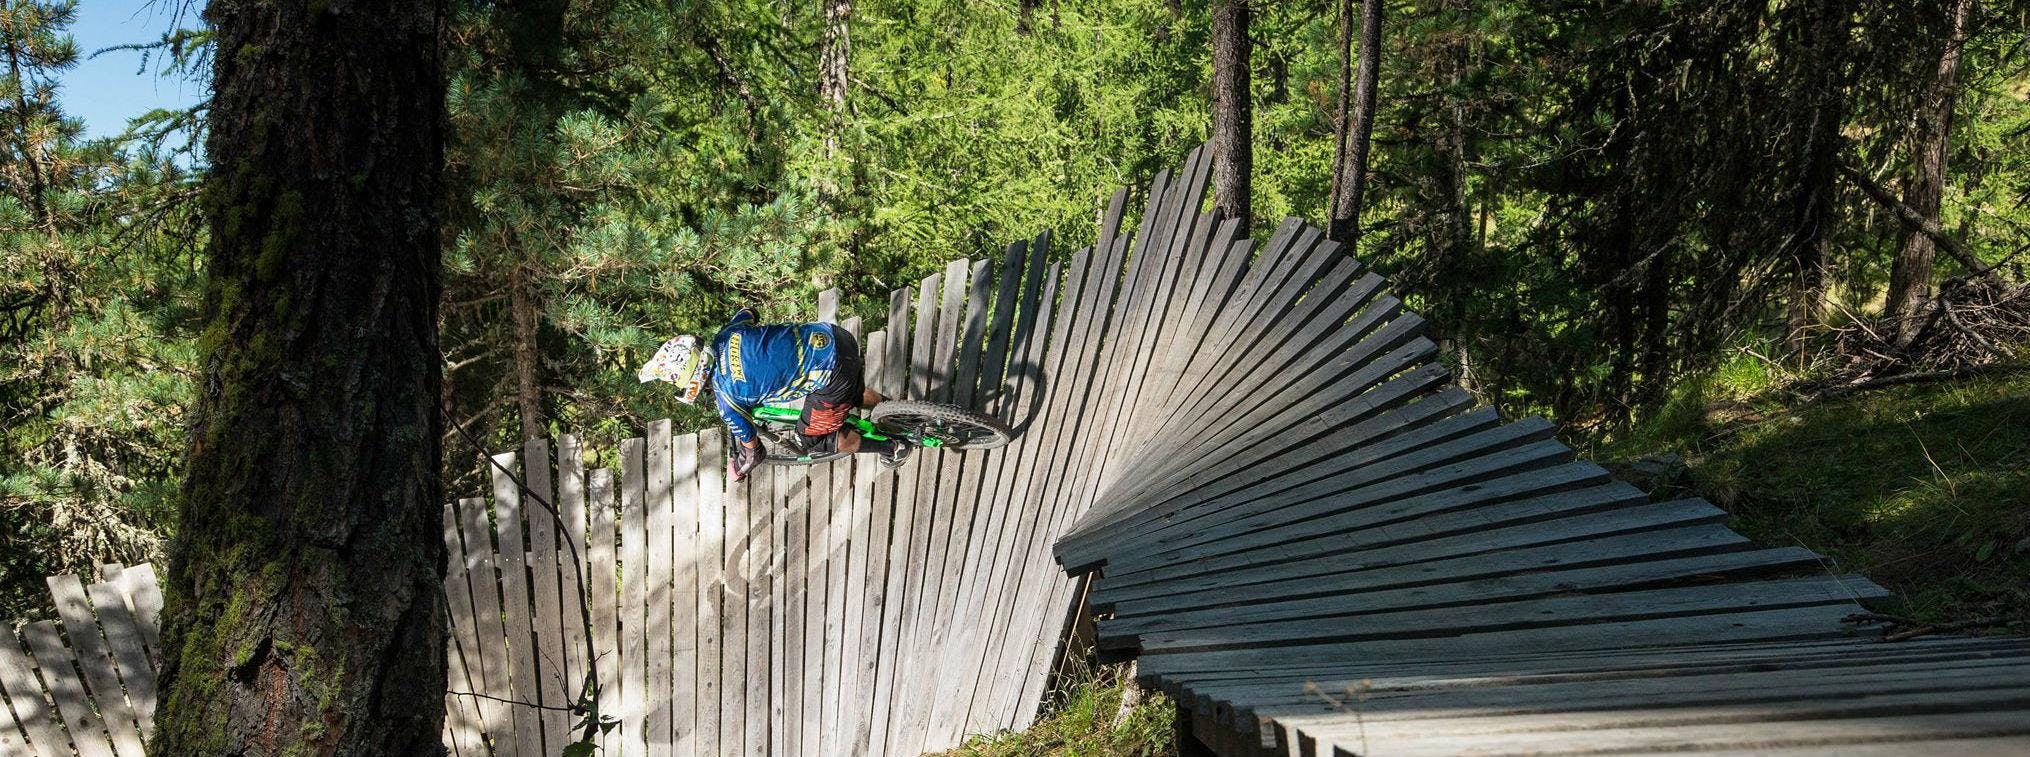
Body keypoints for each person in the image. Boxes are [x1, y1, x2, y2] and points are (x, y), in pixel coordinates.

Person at [638, 308, 912, 482]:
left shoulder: (728, 400)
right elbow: (749, 312)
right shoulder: (728, 333)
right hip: (835, 338)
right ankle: (900, 414)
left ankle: (892, 447)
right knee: (849, 391)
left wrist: (740, 468)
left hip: (832, 373)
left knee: (812, 440)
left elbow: (754, 452)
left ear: (691, 382)